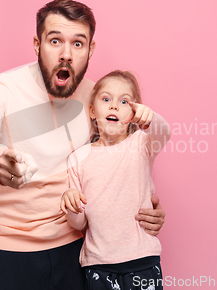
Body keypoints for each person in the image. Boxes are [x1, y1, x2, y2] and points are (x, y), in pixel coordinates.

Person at [0, 0, 166, 290]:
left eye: (78, 44)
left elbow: (118, 159)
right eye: (55, 41)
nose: (66, 55)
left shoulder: (99, 99)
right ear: (37, 44)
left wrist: (145, 206)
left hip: (75, 250)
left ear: (90, 49)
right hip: (5, 248)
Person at [60, 70, 170, 290]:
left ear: (134, 112)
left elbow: (163, 132)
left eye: (124, 101)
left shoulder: (141, 143)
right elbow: (80, 223)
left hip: (143, 260)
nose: (114, 106)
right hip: (99, 264)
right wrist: (71, 204)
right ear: (92, 110)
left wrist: (149, 119)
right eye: (106, 99)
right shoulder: (78, 158)